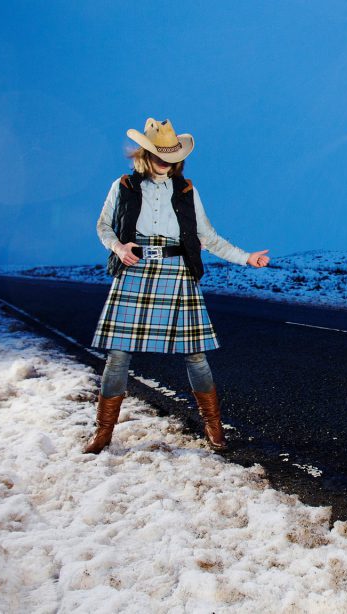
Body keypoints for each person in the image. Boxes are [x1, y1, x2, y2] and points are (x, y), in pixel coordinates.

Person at [85, 117, 270, 454]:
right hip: (136, 271)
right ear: (145, 154)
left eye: (172, 158)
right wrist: (119, 247)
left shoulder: (186, 190)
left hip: (176, 271)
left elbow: (208, 237)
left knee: (195, 356)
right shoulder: (124, 185)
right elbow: (103, 226)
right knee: (117, 356)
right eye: (159, 156)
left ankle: (214, 427)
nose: (166, 163)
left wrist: (247, 258)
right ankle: (103, 433)